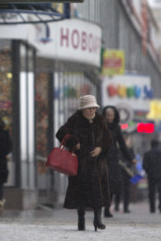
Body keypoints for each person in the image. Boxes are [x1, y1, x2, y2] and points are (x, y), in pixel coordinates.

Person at [56, 95, 112, 232]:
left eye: (93, 108)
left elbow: (108, 138)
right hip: (80, 163)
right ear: (82, 109)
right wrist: (73, 142)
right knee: (81, 193)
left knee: (98, 191)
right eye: (88, 108)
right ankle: (81, 219)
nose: (92, 110)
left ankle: (97, 220)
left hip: (98, 164)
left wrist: (100, 147)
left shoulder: (100, 120)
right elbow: (60, 133)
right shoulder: (74, 120)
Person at [102, 106, 135, 217]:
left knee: (113, 185)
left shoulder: (117, 128)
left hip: (113, 159)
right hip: (101, 158)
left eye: (111, 116)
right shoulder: (100, 127)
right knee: (102, 184)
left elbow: (122, 145)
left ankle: (107, 208)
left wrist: (130, 158)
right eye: (108, 115)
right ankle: (99, 207)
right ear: (104, 116)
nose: (110, 118)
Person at [143, 139, 161, 214]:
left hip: (151, 175)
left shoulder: (147, 154)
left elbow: (144, 165)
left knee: (151, 192)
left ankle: (152, 208)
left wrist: (148, 170)